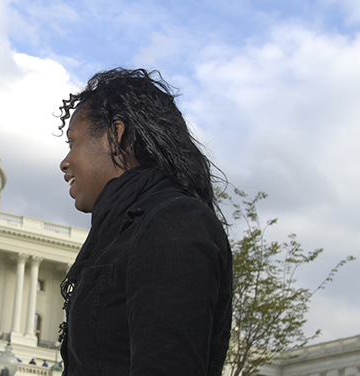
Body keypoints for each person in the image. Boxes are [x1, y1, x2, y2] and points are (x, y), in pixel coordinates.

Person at [56, 68, 232, 375]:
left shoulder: (174, 223)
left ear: (116, 135)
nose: (65, 162)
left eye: (73, 142)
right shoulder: (120, 233)